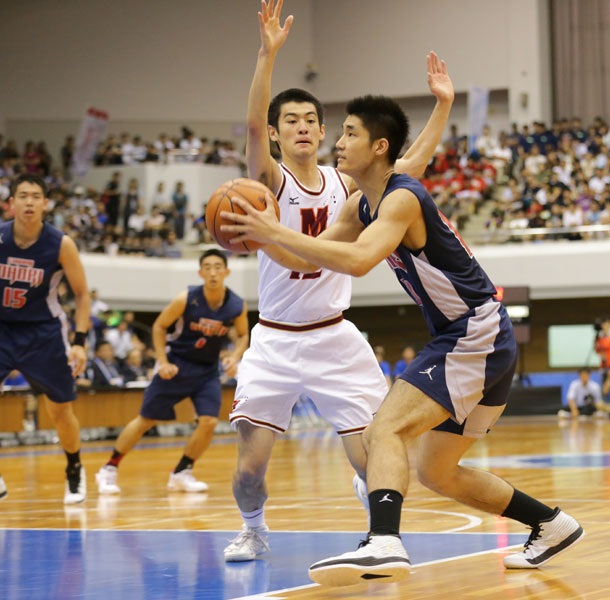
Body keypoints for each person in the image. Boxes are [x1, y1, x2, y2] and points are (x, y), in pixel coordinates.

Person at [222, 94, 584, 585]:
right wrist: (265, 236)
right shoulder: (362, 204)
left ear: (378, 147)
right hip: (477, 338)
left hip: (472, 333)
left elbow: (357, 261)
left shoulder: (401, 198)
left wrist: (273, 230)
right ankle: (550, 524)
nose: (339, 141)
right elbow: (309, 259)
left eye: (350, 133)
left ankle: (384, 542)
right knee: (438, 472)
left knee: (384, 430)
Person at [220, 0, 455, 564]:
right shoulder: (268, 184)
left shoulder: (346, 183)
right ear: (275, 135)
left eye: (310, 120)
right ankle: (253, 528)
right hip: (274, 341)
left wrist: (442, 106)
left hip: (334, 337)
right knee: (249, 471)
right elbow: (250, 125)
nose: (301, 127)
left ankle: (381, 534)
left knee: (374, 457)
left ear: (324, 132)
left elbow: (410, 168)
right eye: (289, 121)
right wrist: (266, 55)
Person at [95, 249, 249, 495]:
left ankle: (181, 472)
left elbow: (242, 334)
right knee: (146, 420)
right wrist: (163, 361)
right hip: (176, 365)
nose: (213, 272)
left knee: (209, 422)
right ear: (200, 273)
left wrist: (234, 356)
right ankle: (109, 468)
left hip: (207, 370)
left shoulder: (236, 305)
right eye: (207, 267)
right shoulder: (185, 298)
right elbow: (159, 326)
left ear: (227, 272)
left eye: (218, 267)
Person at [0, 173, 91, 504]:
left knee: (60, 411)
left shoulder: (61, 244)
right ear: (11, 203)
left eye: (36, 196)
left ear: (45, 204)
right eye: (23, 196)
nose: (29, 202)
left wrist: (79, 341)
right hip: (2, 328)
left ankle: (74, 468)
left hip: (43, 332)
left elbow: (81, 294)